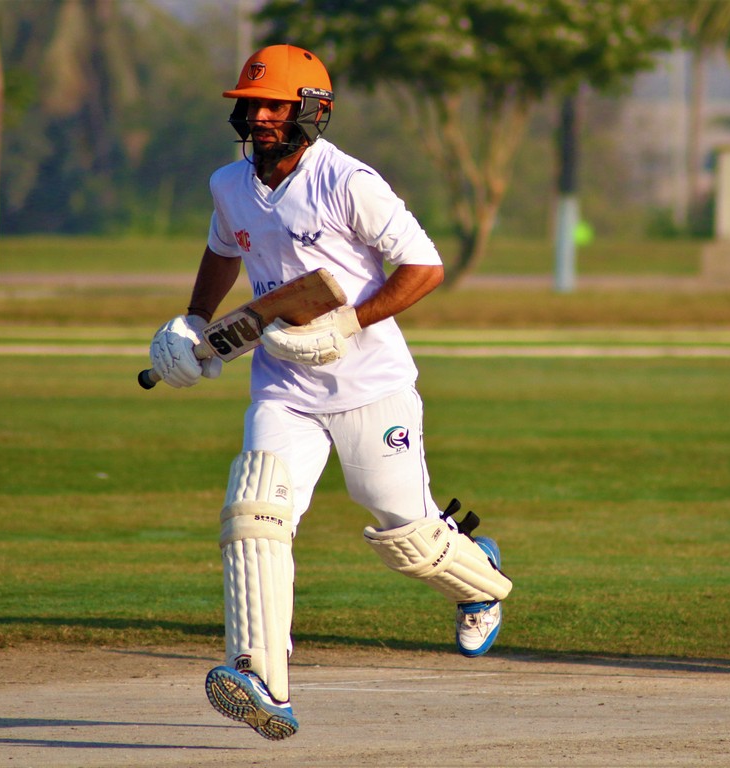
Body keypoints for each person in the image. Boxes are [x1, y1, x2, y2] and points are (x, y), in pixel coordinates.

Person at [145, 44, 513, 740]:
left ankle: (481, 580)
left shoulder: (348, 181)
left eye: (274, 106)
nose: (259, 117)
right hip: (283, 388)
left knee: (407, 532)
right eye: (251, 105)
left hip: (371, 386)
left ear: (311, 110)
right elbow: (224, 249)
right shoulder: (229, 185)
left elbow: (424, 267)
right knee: (255, 513)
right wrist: (194, 320)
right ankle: (263, 680)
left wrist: (348, 322)